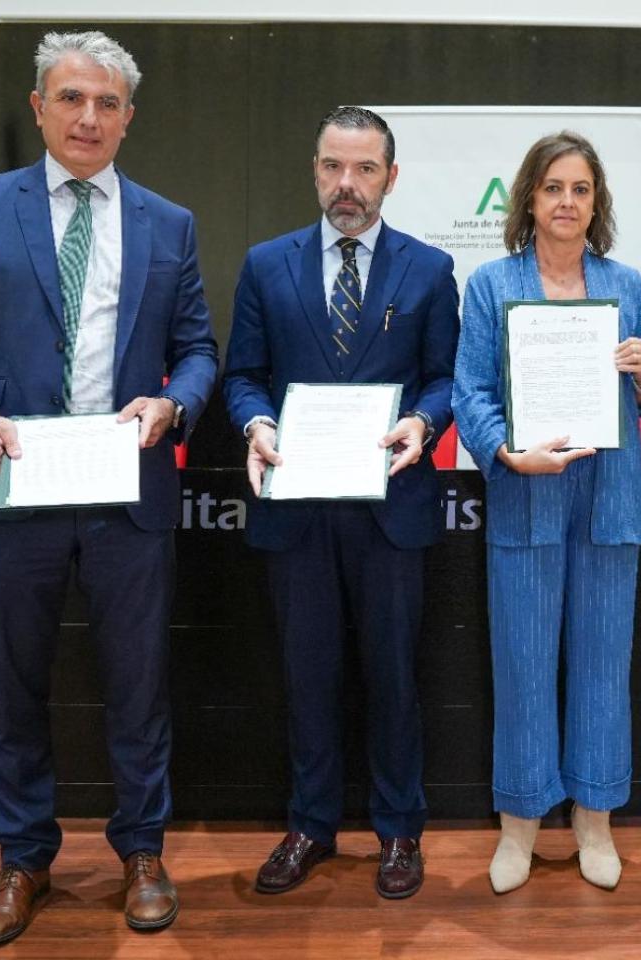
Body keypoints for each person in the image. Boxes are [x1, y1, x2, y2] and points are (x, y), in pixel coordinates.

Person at [0, 31, 218, 946]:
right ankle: (22, 860)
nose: (89, 117)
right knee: (12, 689)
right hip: (13, 486)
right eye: (71, 98)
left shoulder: (170, 223)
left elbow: (199, 350)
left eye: (107, 103)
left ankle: (143, 851)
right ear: (40, 107)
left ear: (129, 117)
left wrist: (173, 407)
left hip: (128, 490)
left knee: (139, 686)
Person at [222, 106, 458, 901]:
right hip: (297, 508)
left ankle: (400, 833)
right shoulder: (265, 264)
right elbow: (242, 374)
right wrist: (254, 422)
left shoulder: (428, 270)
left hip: (391, 506)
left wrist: (424, 422)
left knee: (394, 677)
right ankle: (310, 825)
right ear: (315, 170)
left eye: (364, 169)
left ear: (391, 176)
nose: (346, 185)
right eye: (332, 167)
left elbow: (446, 378)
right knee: (307, 675)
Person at [452, 131, 641, 893]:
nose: (567, 202)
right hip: (524, 490)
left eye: (580, 188)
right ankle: (520, 827)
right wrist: (505, 452)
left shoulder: (625, 283)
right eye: (552, 188)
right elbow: (467, 391)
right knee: (524, 667)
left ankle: (594, 824)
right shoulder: (492, 284)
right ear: (529, 200)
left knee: (604, 666)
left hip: (608, 495)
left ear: (596, 200)